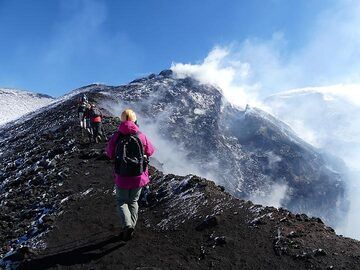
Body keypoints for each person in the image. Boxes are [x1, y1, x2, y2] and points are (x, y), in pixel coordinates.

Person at [106, 109, 155, 240]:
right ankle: (131, 225)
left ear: (121, 120)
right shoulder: (141, 135)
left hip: (122, 176)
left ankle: (127, 225)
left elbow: (109, 153)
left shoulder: (117, 136)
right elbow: (151, 150)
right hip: (138, 175)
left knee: (122, 201)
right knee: (133, 201)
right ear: (135, 120)